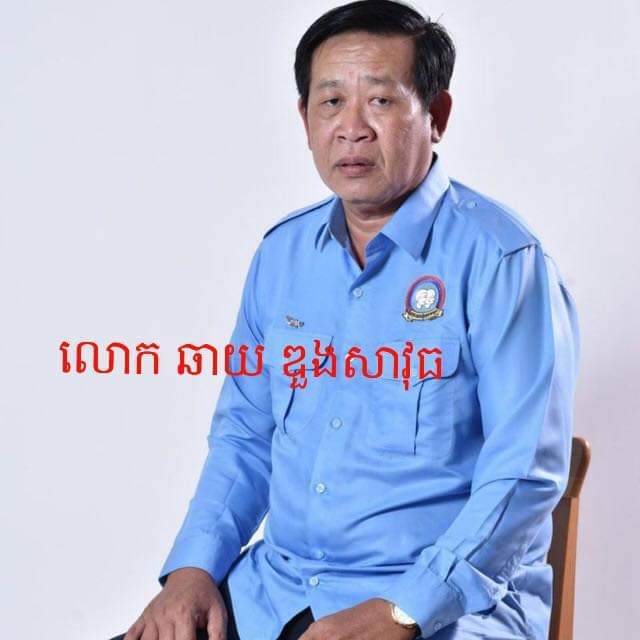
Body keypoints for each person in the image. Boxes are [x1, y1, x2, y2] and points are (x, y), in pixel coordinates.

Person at [111, 1, 580, 639]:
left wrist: (402, 609)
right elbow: (245, 435)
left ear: (437, 115)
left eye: (380, 101)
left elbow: (523, 476)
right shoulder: (282, 256)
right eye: (331, 102)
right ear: (304, 119)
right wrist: (193, 570)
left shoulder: (503, 263)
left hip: (447, 610)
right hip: (278, 591)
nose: (352, 129)